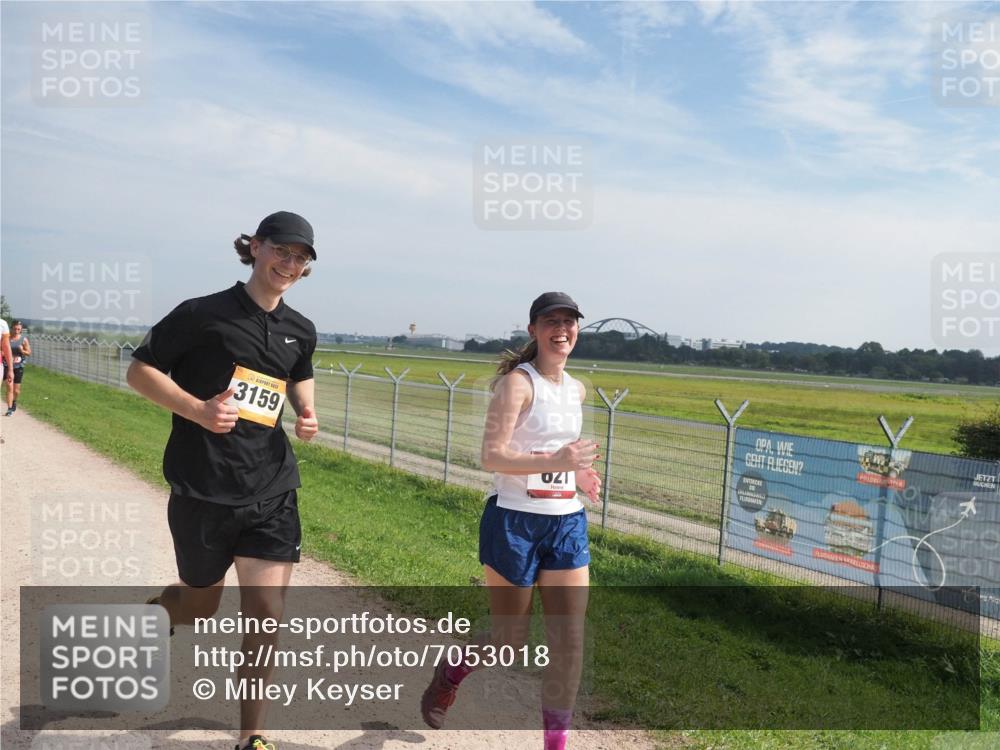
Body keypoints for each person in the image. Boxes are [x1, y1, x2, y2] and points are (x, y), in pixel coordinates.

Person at [127, 211, 320, 750]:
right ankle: (163, 611)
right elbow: (139, 370)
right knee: (200, 605)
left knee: (266, 614)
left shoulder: (300, 329)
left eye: (301, 258)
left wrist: (306, 412)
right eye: (281, 250)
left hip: (271, 489)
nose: (289, 264)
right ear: (255, 248)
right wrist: (197, 410)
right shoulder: (201, 314)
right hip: (202, 489)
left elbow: (299, 375)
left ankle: (251, 736)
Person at [421, 292, 601, 750]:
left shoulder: (576, 389)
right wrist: (555, 458)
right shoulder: (517, 385)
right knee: (508, 642)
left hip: (565, 523)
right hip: (514, 523)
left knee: (569, 644)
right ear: (533, 330)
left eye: (570, 322)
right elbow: (490, 455)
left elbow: (562, 445)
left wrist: (578, 471)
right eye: (551, 322)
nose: (562, 329)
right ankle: (452, 671)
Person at [5, 320, 31, 416]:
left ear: (21, 330)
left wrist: (22, 350)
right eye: (15, 328)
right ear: (12, 328)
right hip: (7, 365)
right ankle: (9, 408)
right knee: (9, 386)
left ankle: (14, 401)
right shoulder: (7, 338)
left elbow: (29, 353)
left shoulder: (23, 340)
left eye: (19, 329)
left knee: (16, 390)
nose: (16, 331)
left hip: (18, 366)